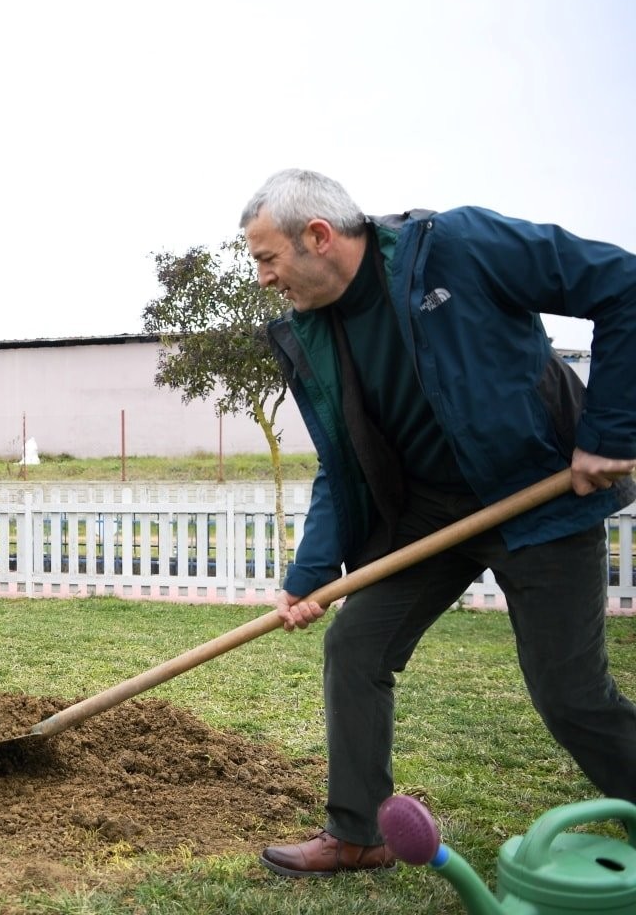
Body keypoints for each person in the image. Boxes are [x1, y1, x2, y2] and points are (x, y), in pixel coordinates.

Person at [238, 168, 636, 877]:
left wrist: (609, 426)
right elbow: (343, 461)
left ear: (319, 236)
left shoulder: (456, 246)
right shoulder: (315, 332)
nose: (264, 278)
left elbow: (622, 284)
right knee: (356, 647)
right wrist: (307, 577)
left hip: (535, 499)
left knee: (569, 694)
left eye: (267, 258)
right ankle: (359, 833)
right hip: (428, 518)